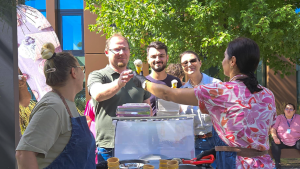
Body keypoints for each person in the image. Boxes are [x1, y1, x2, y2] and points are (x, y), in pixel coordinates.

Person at [132, 37, 276, 168]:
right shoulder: (268, 94)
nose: (222, 61)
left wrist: (144, 82)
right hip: (265, 163)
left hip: (235, 164)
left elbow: (167, 94)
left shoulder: (219, 90)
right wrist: (219, 148)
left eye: (224, 57)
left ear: (232, 61)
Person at [16, 42, 95, 169]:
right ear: (74, 72)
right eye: (81, 68)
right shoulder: (52, 106)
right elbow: (23, 154)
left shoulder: (66, 104)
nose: (83, 73)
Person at [87, 33, 151, 162]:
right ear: (106, 52)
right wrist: (119, 83)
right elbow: (97, 94)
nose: (121, 52)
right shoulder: (98, 75)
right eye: (116, 49)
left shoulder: (139, 77)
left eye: (124, 48)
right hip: (109, 147)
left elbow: (148, 110)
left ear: (129, 52)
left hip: (138, 145)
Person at [179, 51, 221, 167]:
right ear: (182, 67)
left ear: (200, 63)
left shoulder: (216, 84)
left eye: (193, 60)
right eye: (185, 63)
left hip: (218, 140)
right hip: (197, 143)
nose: (189, 64)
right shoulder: (182, 91)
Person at [145, 41, 182, 115]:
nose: (158, 59)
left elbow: (181, 109)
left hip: (172, 125)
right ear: (148, 59)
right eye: (153, 57)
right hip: (151, 125)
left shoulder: (176, 82)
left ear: (167, 58)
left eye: (161, 56)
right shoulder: (143, 82)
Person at [271, 103, 300, 169]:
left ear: (294, 111)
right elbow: (273, 128)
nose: (288, 110)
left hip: (296, 140)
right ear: (284, 110)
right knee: (274, 143)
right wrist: (275, 137)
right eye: (287, 108)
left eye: (291, 109)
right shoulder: (279, 117)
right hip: (282, 141)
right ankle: (278, 164)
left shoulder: (298, 118)